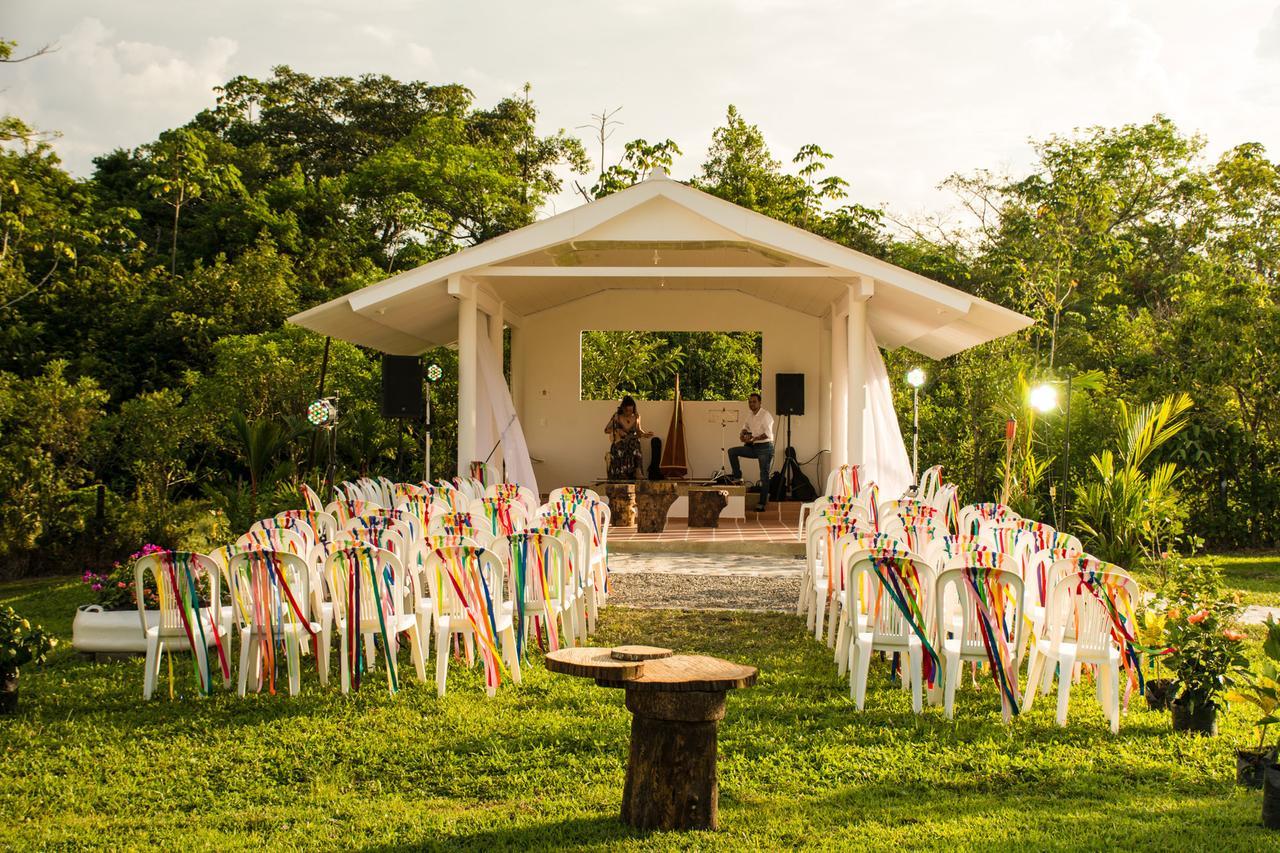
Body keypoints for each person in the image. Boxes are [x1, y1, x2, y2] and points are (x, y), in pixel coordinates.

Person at [728, 392, 775, 512]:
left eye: (754, 401)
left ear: (760, 403)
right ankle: (738, 477)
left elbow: (768, 434)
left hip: (765, 447)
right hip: (753, 447)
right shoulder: (750, 415)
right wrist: (742, 434)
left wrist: (755, 438)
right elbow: (746, 427)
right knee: (732, 451)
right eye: (750, 402)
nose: (751, 404)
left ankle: (762, 503)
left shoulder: (765, 415)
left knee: (763, 475)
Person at [604, 396, 655, 480]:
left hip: (632, 441)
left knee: (635, 444)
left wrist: (645, 434)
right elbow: (606, 430)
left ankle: (637, 471)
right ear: (623, 409)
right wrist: (617, 430)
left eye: (631, 410)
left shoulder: (636, 416)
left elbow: (639, 431)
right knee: (622, 446)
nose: (629, 412)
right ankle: (622, 473)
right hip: (620, 442)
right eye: (627, 410)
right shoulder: (617, 416)